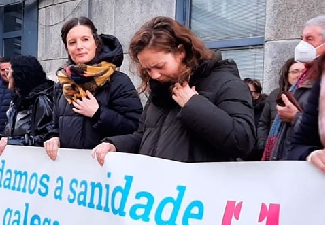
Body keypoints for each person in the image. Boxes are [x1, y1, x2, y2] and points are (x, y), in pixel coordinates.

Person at [92, 16, 255, 164]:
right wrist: (116, 145)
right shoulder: (161, 90)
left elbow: (243, 141)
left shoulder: (226, 83)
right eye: (148, 69)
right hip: (160, 192)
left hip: (197, 193)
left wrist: (194, 105)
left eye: (159, 66)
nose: (154, 75)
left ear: (181, 52)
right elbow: (144, 137)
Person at [44, 17, 143, 160]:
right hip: (68, 174)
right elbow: (56, 126)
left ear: (96, 43)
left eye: (85, 39)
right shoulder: (63, 84)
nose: (79, 46)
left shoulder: (118, 81)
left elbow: (136, 128)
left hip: (103, 175)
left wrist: (98, 114)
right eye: (72, 42)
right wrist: (54, 137)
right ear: (67, 48)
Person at [0, 55, 54, 154]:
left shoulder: (42, 100)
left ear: (20, 76)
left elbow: (47, 139)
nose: (7, 75)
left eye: (9, 72)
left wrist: (13, 142)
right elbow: (13, 132)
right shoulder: (18, 100)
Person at [286, 15, 325, 167]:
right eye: (302, 39)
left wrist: (295, 117)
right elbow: (297, 147)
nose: (302, 45)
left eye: (309, 39)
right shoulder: (321, 85)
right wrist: (312, 155)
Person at [260, 57, 313, 160]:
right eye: (294, 71)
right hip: (275, 152)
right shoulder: (275, 95)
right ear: (287, 75)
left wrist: (294, 117)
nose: (299, 75)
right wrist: (263, 144)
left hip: (298, 154)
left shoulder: (312, 95)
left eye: (303, 71)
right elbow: (263, 123)